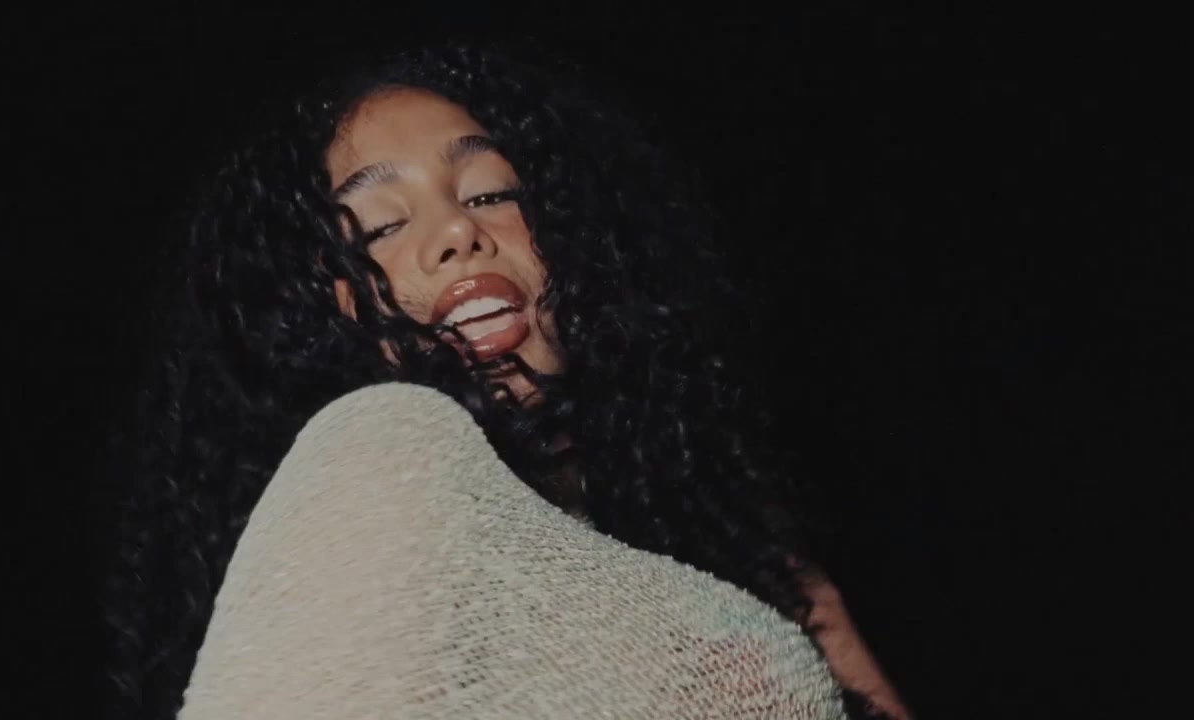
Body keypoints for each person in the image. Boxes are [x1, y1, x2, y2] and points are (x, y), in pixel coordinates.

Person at [104, 39, 909, 719]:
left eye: (490, 192)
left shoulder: (711, 537)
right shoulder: (383, 451)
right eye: (380, 226)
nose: (458, 230)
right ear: (316, 310)